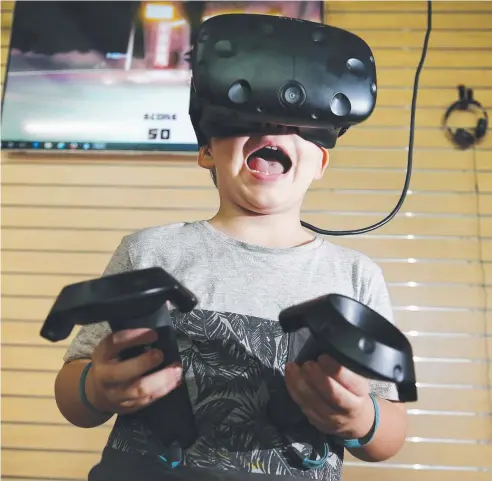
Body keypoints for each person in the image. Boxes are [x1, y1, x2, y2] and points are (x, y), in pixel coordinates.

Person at [54, 133, 408, 480]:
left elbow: (389, 431)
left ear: (321, 161)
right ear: (207, 150)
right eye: (244, 118)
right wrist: (96, 388)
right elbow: (73, 387)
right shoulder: (149, 252)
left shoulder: (356, 276)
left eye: (296, 125)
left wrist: (359, 418)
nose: (270, 129)